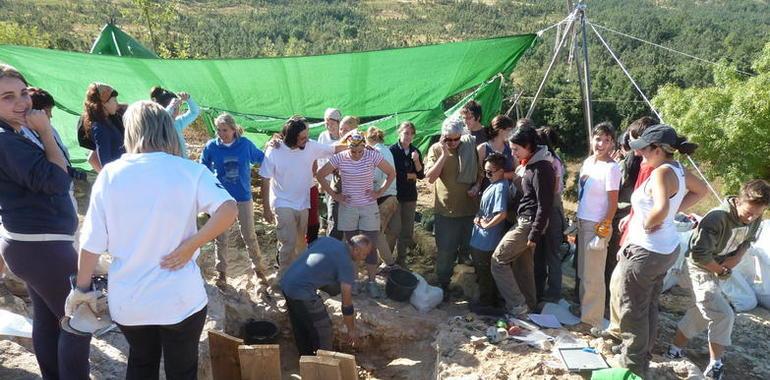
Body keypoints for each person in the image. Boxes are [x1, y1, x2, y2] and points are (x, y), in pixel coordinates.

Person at [67, 100, 237, 380]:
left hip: (131, 301)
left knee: (141, 364)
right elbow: (228, 209)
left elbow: (91, 243)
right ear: (169, 130)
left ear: (130, 132)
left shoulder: (110, 174)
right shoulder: (190, 171)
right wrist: (191, 244)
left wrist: (82, 289)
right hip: (180, 299)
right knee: (182, 371)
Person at [0, 64, 91, 379]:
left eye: (23, 93)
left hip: (31, 246)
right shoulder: (7, 141)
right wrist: (47, 132)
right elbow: (55, 179)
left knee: (48, 318)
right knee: (80, 321)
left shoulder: (12, 134)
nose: (21, 102)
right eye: (7, 97)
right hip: (43, 248)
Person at [613, 124, 707, 377]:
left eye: (644, 149)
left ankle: (632, 368)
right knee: (650, 306)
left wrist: (646, 222)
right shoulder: (678, 169)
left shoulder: (660, 173)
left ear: (658, 149)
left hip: (646, 251)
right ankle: (642, 357)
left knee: (632, 311)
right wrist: (667, 215)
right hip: (666, 249)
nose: (640, 153)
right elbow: (702, 191)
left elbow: (662, 207)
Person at [665, 180, 770, 380]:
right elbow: (699, 256)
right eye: (748, 213)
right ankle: (715, 366)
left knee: (702, 312)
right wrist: (721, 270)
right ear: (738, 201)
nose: (751, 218)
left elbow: (748, 240)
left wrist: (737, 257)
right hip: (698, 267)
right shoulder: (716, 218)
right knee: (723, 314)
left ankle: (674, 349)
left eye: (757, 214)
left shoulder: (755, 217)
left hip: (719, 267)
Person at [259, 116, 350, 279]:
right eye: (302, 137)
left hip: (303, 203)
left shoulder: (310, 146)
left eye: (306, 136)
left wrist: (355, 143)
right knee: (288, 242)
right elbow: (265, 179)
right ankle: (283, 278)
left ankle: (299, 275)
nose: (306, 140)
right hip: (282, 202)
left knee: (302, 245)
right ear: (291, 137)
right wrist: (266, 208)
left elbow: (334, 149)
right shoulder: (274, 150)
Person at [316, 131, 396, 298]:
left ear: (364, 147)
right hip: (349, 206)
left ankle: (372, 281)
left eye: (360, 151)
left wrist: (379, 191)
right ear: (349, 147)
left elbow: (391, 173)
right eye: (354, 151)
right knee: (351, 246)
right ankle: (352, 281)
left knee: (371, 244)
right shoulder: (341, 157)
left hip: (368, 205)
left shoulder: (372, 155)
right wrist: (334, 194)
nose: (357, 155)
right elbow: (320, 174)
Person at [492, 126, 554, 314]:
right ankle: (530, 306)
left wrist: (534, 234)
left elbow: (545, 205)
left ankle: (518, 305)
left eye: (516, 149)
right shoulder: (529, 164)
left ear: (528, 146)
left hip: (529, 223)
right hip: (525, 220)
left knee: (499, 260)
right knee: (522, 267)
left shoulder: (542, 168)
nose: (513, 153)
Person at [200, 113, 267, 287]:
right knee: (221, 237)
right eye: (219, 130)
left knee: (249, 235)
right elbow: (203, 168)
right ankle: (221, 272)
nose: (221, 134)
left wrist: (273, 146)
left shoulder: (244, 145)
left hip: (243, 196)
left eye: (225, 130)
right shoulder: (211, 147)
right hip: (222, 198)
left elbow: (262, 158)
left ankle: (259, 269)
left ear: (233, 129)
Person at [280, 235, 373, 355]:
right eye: (364, 254)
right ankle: (324, 364)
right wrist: (351, 330)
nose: (364, 259)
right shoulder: (346, 264)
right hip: (301, 290)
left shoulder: (327, 240)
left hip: (287, 281)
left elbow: (315, 259)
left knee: (300, 325)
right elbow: (346, 304)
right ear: (356, 250)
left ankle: (305, 359)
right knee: (323, 329)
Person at [424, 117, 481, 299]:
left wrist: (477, 186)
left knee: (469, 252)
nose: (454, 143)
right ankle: (443, 286)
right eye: (449, 139)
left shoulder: (470, 146)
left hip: (470, 210)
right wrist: (443, 154)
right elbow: (430, 177)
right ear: (443, 137)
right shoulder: (436, 149)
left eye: (457, 138)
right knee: (446, 253)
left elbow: (481, 172)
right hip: (446, 211)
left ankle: (468, 287)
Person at [575, 122, 621, 328]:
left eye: (607, 140)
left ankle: (591, 319)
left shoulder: (612, 168)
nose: (601, 143)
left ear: (612, 143)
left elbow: (613, 203)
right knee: (583, 272)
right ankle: (584, 309)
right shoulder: (588, 162)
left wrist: (604, 228)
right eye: (598, 138)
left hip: (597, 224)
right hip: (583, 220)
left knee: (593, 275)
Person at [469, 153, 509, 309]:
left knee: (486, 274)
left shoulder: (500, 188)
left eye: (490, 172)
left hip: (487, 241)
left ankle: (487, 303)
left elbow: (502, 213)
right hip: (480, 238)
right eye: (485, 172)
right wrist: (479, 217)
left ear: (501, 171)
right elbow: (485, 210)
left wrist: (487, 225)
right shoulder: (493, 184)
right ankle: (486, 300)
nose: (487, 175)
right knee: (482, 273)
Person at [534, 126, 566, 302]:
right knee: (540, 253)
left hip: (551, 209)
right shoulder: (553, 159)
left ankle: (553, 294)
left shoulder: (552, 162)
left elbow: (553, 189)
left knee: (551, 253)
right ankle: (539, 291)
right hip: (550, 207)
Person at [388, 122, 424, 267]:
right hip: (394, 195)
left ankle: (401, 261)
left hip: (410, 196)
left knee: (407, 230)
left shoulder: (415, 152)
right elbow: (393, 173)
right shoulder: (392, 150)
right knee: (393, 229)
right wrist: (410, 176)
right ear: (399, 133)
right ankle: (387, 261)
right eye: (406, 133)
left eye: (411, 133)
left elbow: (421, 175)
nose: (408, 136)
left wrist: (416, 161)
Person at [365, 127, 399, 271]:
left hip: (383, 197)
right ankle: (384, 262)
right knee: (379, 232)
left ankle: (388, 264)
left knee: (376, 233)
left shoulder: (376, 152)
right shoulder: (387, 150)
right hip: (391, 197)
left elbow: (377, 177)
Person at [81, 82, 124, 167]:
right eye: (114, 100)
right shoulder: (99, 128)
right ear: (103, 103)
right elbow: (106, 163)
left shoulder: (109, 120)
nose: (117, 103)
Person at [150, 86, 201, 158]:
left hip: (182, 164)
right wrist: (172, 105)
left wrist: (189, 98)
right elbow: (164, 117)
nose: (176, 110)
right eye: (174, 108)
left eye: (177, 107)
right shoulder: (156, 125)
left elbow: (195, 112)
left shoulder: (178, 123)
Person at [476, 115, 515, 192]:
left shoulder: (512, 148)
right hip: (488, 193)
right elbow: (478, 174)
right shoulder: (482, 148)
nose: (512, 133)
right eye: (509, 130)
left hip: (508, 195)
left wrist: (501, 175)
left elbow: (518, 173)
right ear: (500, 131)